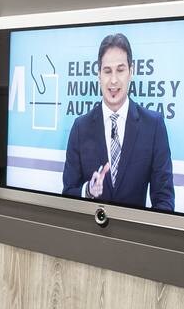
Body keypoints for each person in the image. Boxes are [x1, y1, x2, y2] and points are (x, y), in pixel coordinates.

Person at [61, 33, 174, 211]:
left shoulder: (153, 126)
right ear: (98, 74)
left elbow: (164, 199)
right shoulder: (80, 128)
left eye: (120, 70)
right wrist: (88, 191)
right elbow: (68, 193)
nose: (113, 80)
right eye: (107, 71)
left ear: (131, 71)